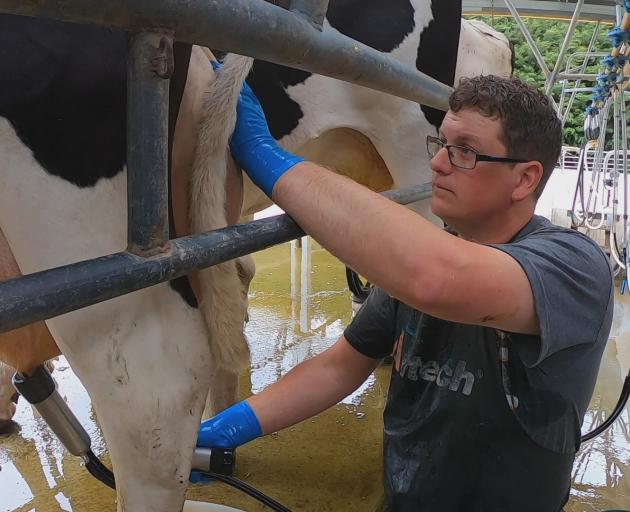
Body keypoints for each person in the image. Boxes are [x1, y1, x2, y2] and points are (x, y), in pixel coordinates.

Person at [193, 75, 614, 511]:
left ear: (525, 179)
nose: (438, 164)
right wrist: (229, 427)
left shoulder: (571, 265)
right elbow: (339, 367)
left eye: (464, 151)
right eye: (442, 144)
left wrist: (265, 154)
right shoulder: (429, 258)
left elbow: (438, 278)